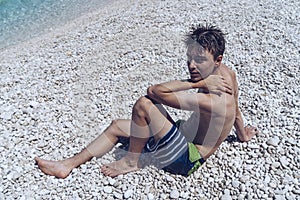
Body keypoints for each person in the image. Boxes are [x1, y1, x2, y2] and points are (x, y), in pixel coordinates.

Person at [35, 24, 258, 178]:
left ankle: (131, 162)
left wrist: (195, 85)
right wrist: (242, 136)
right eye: (190, 58)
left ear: (218, 60)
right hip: (182, 134)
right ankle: (66, 165)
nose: (192, 65)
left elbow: (154, 91)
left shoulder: (217, 100)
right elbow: (237, 109)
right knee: (116, 126)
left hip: (188, 158)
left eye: (200, 60)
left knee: (143, 104)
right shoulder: (227, 73)